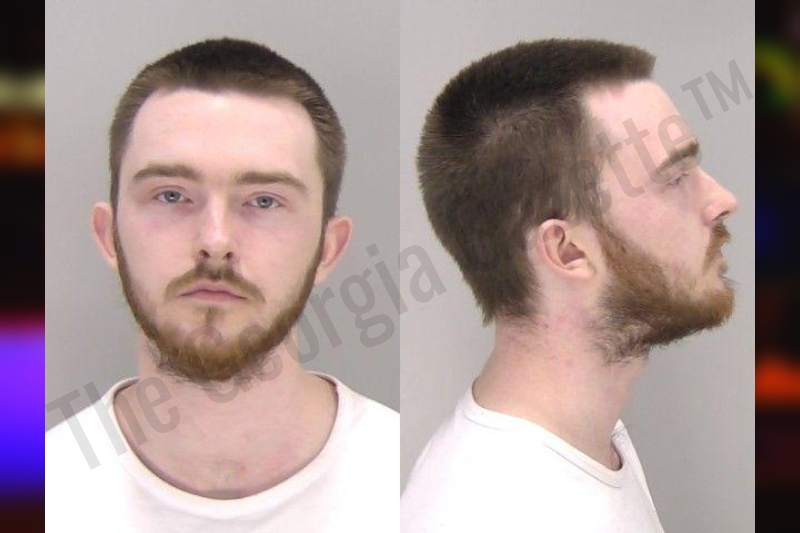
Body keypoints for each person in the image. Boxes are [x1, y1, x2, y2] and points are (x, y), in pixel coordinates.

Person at [46, 38, 398, 532]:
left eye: (264, 201)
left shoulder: (410, 489)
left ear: (327, 249)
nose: (215, 241)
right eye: (171, 195)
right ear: (110, 237)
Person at [402, 39, 738, 532]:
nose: (723, 199)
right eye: (675, 177)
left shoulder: (581, 444)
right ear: (567, 251)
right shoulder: (490, 513)